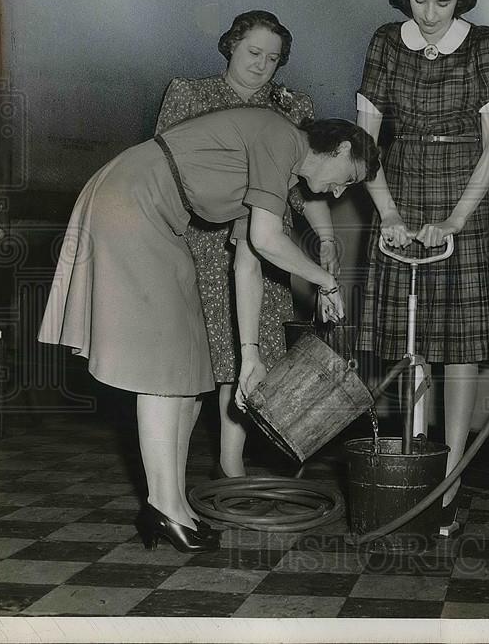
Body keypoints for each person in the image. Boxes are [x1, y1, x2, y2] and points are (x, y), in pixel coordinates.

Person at [39, 112, 379, 552]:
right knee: (163, 369)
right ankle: (164, 507)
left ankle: (171, 502)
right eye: (346, 179)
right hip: (133, 199)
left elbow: (249, 262)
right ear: (340, 148)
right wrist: (326, 280)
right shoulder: (280, 136)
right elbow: (268, 238)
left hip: (153, 213)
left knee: (188, 364)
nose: (338, 193)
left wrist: (250, 355)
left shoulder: (277, 172)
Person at [355, 0, 489, 536]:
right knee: (410, 339)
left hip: (464, 198)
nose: (429, 13)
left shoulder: (485, 43)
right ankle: (412, 468)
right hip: (396, 186)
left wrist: (453, 222)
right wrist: (389, 213)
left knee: (461, 345)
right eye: (419, 0)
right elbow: (365, 140)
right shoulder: (383, 42)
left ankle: (449, 480)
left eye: (442, 2)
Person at [155, 9, 335, 480]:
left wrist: (327, 237)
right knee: (193, 364)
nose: (261, 65)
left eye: (272, 59)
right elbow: (167, 170)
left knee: (244, 361)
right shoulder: (189, 93)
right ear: (230, 45)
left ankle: (230, 466)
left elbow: (307, 186)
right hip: (197, 244)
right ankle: (168, 478)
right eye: (253, 52)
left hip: (261, 246)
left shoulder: (293, 107)